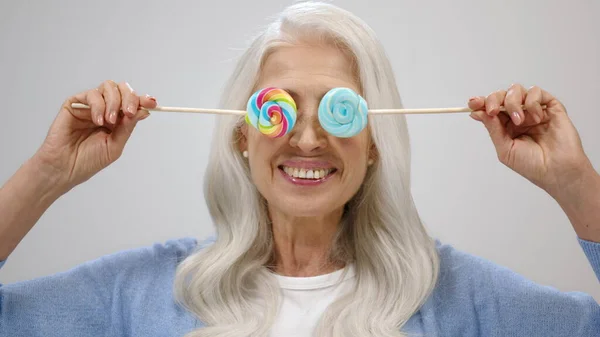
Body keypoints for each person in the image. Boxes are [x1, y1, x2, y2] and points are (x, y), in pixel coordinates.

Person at [1, 2, 599, 337]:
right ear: (241, 133)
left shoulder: (459, 297)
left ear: (374, 143)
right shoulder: (140, 295)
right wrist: (47, 173)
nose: (308, 138)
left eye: (340, 113)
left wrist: (576, 185)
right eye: (278, 110)